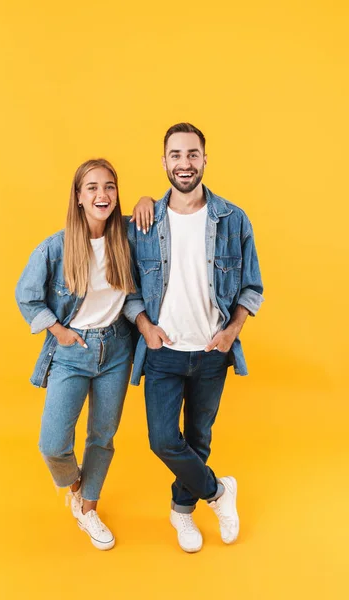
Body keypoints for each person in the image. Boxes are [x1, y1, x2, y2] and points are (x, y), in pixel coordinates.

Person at [125, 123, 264, 553]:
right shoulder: (144, 221)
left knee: (198, 438)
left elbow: (252, 287)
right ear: (163, 162)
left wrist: (230, 333)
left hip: (210, 353)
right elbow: (128, 287)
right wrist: (145, 327)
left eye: (192, 154)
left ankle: (182, 512)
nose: (184, 163)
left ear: (205, 159)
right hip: (163, 353)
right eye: (175, 155)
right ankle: (220, 493)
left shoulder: (232, 218)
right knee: (164, 440)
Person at [15, 158, 136, 551]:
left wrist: (149, 198)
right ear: (79, 198)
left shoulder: (129, 237)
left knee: (102, 435)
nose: (102, 194)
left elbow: (166, 225)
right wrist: (59, 331)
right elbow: (27, 295)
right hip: (73, 350)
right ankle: (75, 485)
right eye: (92, 188)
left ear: (117, 194)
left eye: (110, 187)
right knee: (53, 444)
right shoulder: (56, 246)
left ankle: (88, 508)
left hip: (117, 348)